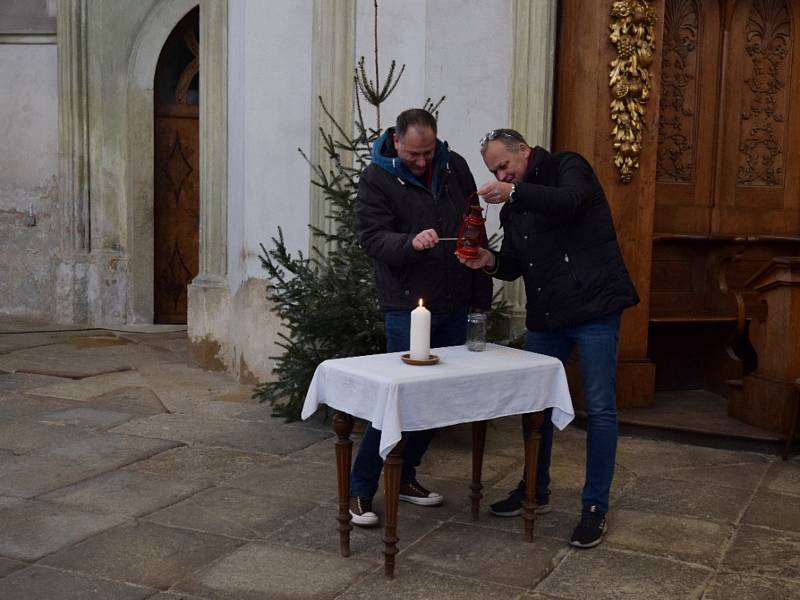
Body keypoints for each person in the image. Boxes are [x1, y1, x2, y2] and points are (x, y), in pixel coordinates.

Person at [458, 128, 639, 548]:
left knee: (599, 408)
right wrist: (489, 260)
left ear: (525, 150)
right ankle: (534, 489)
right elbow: (516, 264)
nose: (502, 174)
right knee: (532, 404)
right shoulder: (512, 209)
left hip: (594, 308)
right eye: (494, 170)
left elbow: (569, 203)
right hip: (548, 318)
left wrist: (512, 192)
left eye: (505, 164)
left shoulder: (567, 167)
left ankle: (594, 506)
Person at [349, 109, 493, 526]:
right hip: (407, 305)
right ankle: (359, 489)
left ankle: (406, 476)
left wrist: (479, 293)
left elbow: (474, 227)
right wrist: (410, 242)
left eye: (428, 152)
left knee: (437, 401)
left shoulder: (456, 166)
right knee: (396, 401)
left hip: (457, 300)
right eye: (414, 153)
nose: (422, 161)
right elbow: (371, 238)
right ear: (396, 142)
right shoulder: (376, 178)